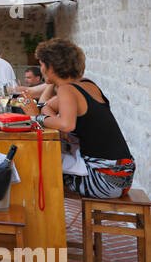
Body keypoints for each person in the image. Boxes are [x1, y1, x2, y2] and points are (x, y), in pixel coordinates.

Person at [15, 38, 135, 199]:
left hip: (104, 179)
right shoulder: (86, 84)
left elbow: (66, 124)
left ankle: (45, 219)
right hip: (123, 174)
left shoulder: (67, 90)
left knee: (37, 165)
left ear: (52, 66)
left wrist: (35, 117)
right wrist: (44, 114)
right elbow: (47, 106)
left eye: (42, 64)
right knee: (47, 160)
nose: (41, 69)